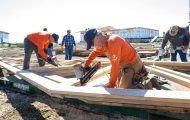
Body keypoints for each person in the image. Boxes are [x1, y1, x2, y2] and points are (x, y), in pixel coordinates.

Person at [83, 28, 151, 89]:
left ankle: (148, 83)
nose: (93, 46)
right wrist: (86, 65)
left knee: (124, 90)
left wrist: (111, 85)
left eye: (92, 44)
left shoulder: (113, 41)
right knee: (118, 87)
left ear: (97, 38)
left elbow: (115, 66)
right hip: (122, 66)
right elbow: (94, 53)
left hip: (133, 64)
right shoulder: (103, 43)